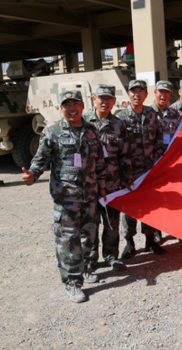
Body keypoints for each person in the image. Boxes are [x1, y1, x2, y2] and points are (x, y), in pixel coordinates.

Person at [21, 90, 107, 303]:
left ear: (82, 106)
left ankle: (86, 269)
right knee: (68, 240)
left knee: (89, 235)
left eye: (75, 104)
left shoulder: (91, 131)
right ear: (61, 108)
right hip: (66, 198)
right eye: (67, 104)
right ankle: (72, 282)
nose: (72, 108)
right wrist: (32, 175)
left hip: (89, 195)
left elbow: (100, 162)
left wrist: (103, 186)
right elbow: (40, 159)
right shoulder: (53, 131)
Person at [84, 84, 132, 272]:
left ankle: (111, 256)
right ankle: (91, 260)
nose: (105, 102)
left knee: (112, 223)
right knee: (90, 224)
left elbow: (124, 154)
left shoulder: (119, 124)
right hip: (90, 183)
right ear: (94, 99)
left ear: (114, 101)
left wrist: (127, 180)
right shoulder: (84, 122)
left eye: (109, 99)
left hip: (113, 183)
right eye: (101, 98)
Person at [116, 80, 166, 258]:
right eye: (133, 91)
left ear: (146, 95)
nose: (137, 95)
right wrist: (123, 170)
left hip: (149, 170)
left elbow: (159, 138)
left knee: (150, 206)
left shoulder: (152, 115)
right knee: (129, 208)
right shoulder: (121, 118)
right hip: (129, 171)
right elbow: (118, 147)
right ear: (128, 94)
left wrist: (157, 159)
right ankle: (129, 243)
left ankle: (150, 240)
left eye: (140, 91)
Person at [151, 80, 182, 152]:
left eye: (167, 92)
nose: (163, 95)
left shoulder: (174, 114)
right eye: (161, 91)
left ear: (170, 95)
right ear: (155, 92)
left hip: (168, 156)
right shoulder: (146, 112)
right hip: (151, 157)